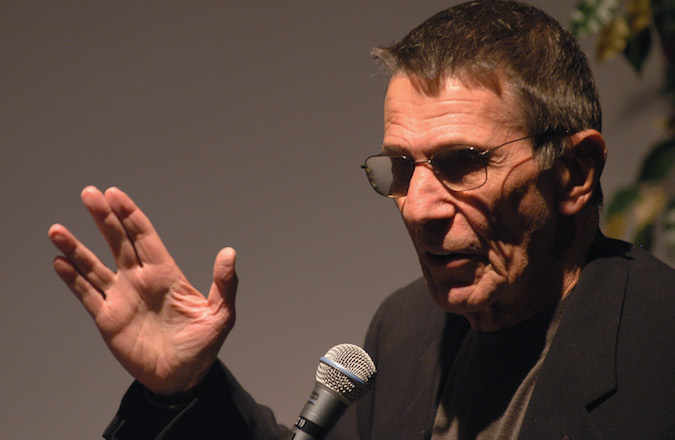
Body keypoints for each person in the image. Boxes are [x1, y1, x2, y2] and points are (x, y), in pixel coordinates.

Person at [49, 1, 674, 439]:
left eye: (462, 163)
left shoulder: (659, 349)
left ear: (574, 173)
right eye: (401, 169)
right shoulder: (405, 330)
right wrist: (184, 389)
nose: (419, 206)